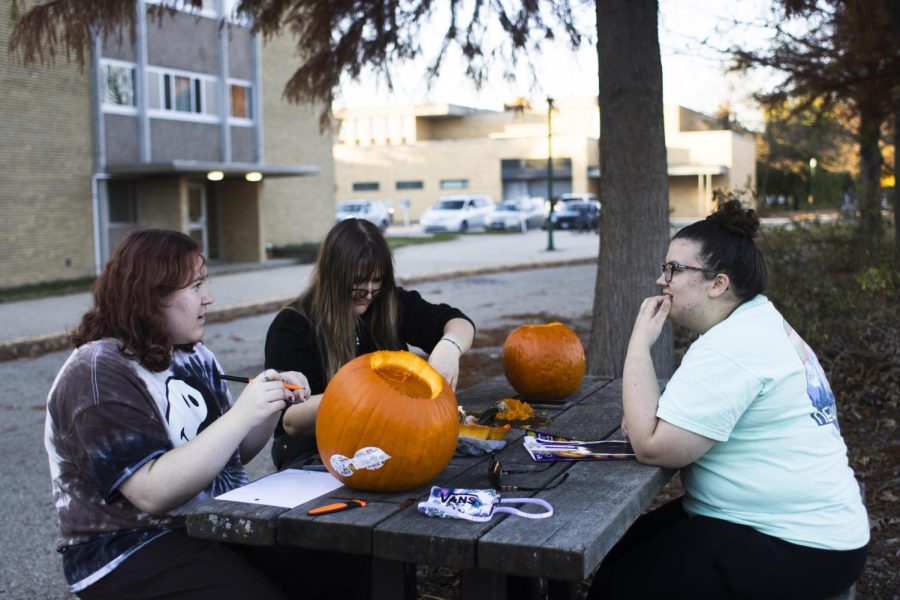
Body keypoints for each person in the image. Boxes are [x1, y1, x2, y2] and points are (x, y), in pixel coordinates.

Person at [46, 229, 361, 599]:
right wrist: (242, 413)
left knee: (340, 562)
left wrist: (269, 403)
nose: (208, 298)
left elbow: (231, 453)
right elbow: (151, 492)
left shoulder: (191, 354)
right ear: (150, 296)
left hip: (209, 523)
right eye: (195, 286)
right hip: (126, 546)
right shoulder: (99, 371)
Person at [588, 201, 868, 599]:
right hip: (780, 522)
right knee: (620, 554)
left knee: (619, 587)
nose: (661, 280)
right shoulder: (755, 321)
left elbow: (651, 445)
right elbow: (647, 424)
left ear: (718, 284)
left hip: (800, 542)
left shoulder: (732, 346)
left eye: (674, 269)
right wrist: (645, 422)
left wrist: (639, 343)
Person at [265, 218, 475, 469]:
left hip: (391, 447)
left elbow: (459, 323)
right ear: (334, 276)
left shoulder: (389, 303)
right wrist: (365, 393)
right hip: (320, 457)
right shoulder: (293, 325)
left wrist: (450, 346)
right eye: (359, 282)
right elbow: (290, 420)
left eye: (377, 281)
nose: (368, 291)